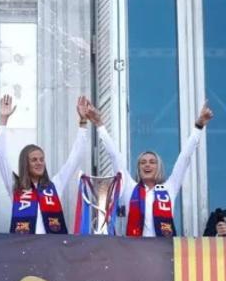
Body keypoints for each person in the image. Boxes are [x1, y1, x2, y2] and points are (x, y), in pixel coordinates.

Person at [91, 101, 214, 237]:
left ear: (159, 167)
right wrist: (99, 124)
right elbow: (114, 156)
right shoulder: (129, 188)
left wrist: (199, 126)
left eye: (152, 162)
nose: (147, 165)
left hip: (163, 252)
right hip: (133, 251)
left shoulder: (169, 188)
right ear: (138, 168)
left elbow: (184, 158)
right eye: (143, 162)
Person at [0, 95, 93, 235]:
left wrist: (83, 123)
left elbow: (75, 158)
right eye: (34, 160)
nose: (39, 163)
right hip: (25, 250)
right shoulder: (15, 186)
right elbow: (0, 155)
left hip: (52, 250)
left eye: (42, 159)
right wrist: (3, 120)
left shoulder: (55, 185)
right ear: (25, 163)